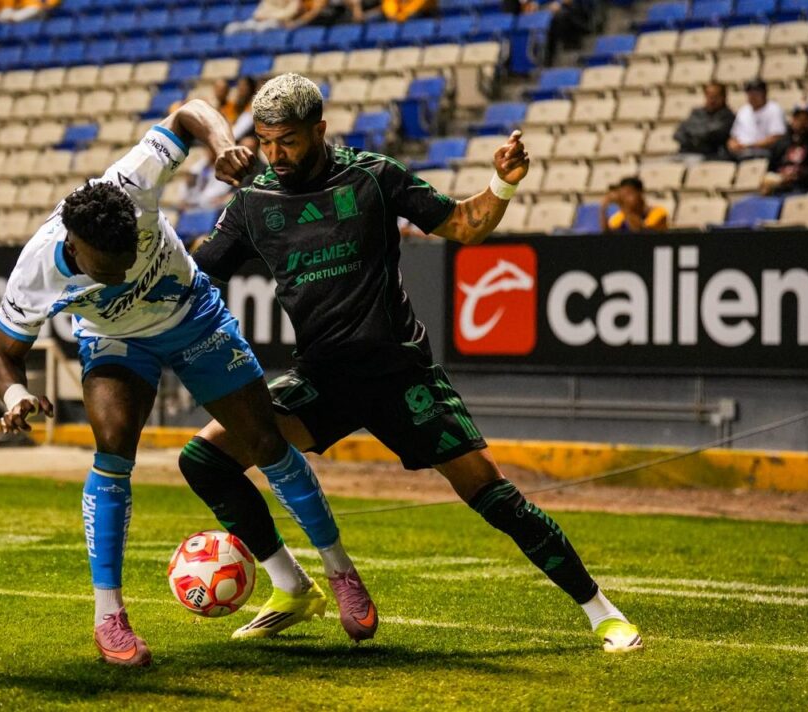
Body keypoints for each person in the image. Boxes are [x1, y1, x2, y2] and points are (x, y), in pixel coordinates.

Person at [189, 73, 643, 653]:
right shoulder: (254, 203)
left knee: (494, 496)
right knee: (204, 458)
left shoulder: (374, 177)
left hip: (401, 376)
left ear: (319, 131)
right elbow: (201, 278)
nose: (275, 155)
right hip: (320, 382)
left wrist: (500, 185)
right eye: (267, 141)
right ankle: (290, 585)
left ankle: (602, 612)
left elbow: (462, 224)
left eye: (290, 141)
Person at [0, 99, 371, 666]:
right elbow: (4, 355)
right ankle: (108, 618)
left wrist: (222, 147)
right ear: (73, 245)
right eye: (108, 267)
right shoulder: (34, 273)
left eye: (128, 258)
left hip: (192, 315)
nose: (122, 273)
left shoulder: (131, 181)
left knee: (265, 440)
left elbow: (189, 111)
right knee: (113, 446)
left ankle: (340, 572)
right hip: (115, 340)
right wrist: (16, 395)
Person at [762, 103, 808, 196]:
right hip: (779, 187)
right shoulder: (781, 143)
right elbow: (770, 169)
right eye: (799, 119)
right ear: (793, 120)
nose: (802, 123)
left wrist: (801, 174)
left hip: (803, 189)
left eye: (806, 120)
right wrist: (779, 178)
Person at [673, 82, 736, 159]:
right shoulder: (696, 113)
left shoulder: (727, 116)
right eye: (709, 96)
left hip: (710, 156)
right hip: (685, 153)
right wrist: (695, 137)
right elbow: (679, 133)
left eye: (715, 96)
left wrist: (692, 134)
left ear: (723, 97)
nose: (711, 100)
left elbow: (711, 134)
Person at [727, 79, 785, 161]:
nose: (752, 96)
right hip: (741, 151)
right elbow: (734, 136)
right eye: (750, 93)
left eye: (756, 93)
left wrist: (750, 145)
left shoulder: (774, 109)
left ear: (764, 93)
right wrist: (732, 144)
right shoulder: (743, 110)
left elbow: (776, 137)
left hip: (763, 151)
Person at [600, 177, 669, 233]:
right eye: (622, 195)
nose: (624, 199)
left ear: (640, 193)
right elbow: (608, 235)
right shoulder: (620, 216)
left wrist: (622, 205)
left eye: (629, 194)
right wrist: (603, 209)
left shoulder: (658, 212)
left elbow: (641, 231)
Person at [224, 0, 301, 34]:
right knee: (231, 27)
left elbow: (290, 12)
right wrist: (259, 16)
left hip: (277, 22)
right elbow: (260, 11)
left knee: (262, 28)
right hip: (259, 21)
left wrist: (270, 16)